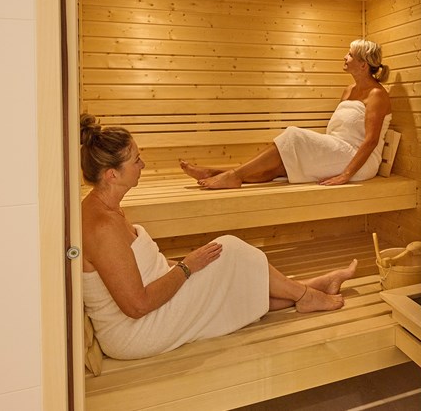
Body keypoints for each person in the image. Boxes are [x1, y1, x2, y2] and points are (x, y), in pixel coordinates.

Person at [80, 114, 359, 360]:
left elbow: (140, 270)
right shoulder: (102, 226)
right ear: (112, 174)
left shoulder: (107, 207)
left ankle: (311, 288)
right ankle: (307, 293)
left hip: (151, 305)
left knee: (226, 270)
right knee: (230, 250)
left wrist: (189, 267)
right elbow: (137, 306)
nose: (143, 164)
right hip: (136, 332)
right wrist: (187, 267)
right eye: (136, 160)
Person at [180, 39, 392, 189]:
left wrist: (346, 175)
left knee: (293, 136)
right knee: (280, 167)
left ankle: (233, 175)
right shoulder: (349, 90)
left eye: (350, 54)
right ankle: (216, 173)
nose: (344, 57)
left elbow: (371, 141)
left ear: (363, 64)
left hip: (359, 160)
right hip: (338, 150)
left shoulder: (377, 95)